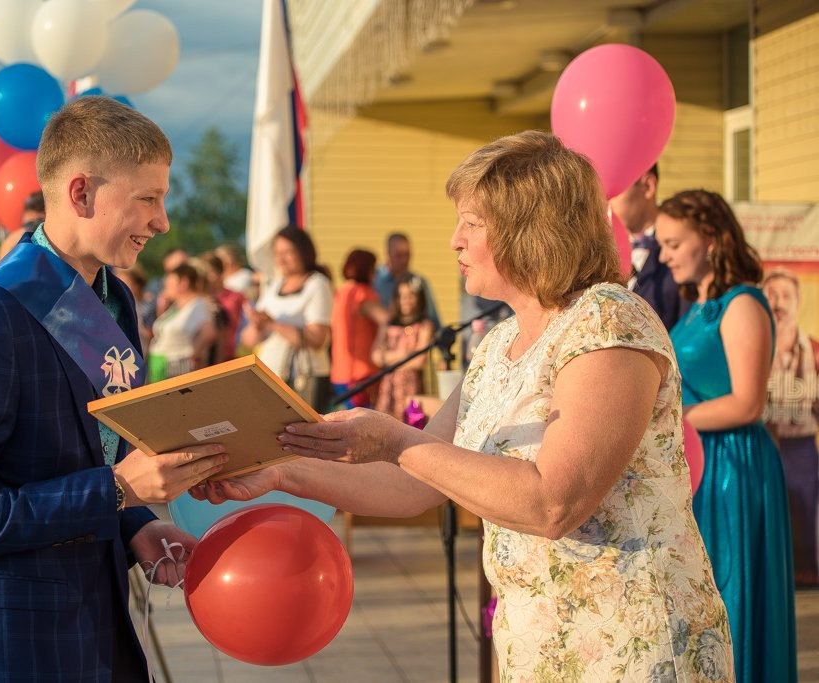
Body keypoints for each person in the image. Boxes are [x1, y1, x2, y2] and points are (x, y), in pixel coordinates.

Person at [198, 131, 734, 681]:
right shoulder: (498, 343)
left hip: (633, 641)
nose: (453, 240)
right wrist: (281, 472)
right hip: (540, 644)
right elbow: (413, 483)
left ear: (532, 227)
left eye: (471, 224)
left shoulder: (608, 321)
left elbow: (554, 501)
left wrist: (396, 439)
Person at [0, 97, 229, 682]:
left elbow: (96, 453)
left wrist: (138, 523)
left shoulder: (117, 299)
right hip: (14, 645)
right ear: (80, 193)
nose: (162, 222)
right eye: (148, 199)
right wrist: (116, 492)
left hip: (98, 622)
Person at [657, 188, 796, 682]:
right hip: (702, 464)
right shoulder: (697, 307)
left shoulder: (742, 304)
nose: (663, 254)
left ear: (711, 239)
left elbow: (748, 402)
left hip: (733, 469)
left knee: (730, 593)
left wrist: (672, 420)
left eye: (674, 243)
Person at [763, 268, 819, 587]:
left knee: (804, 513)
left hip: (801, 448)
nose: (778, 303)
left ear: (798, 302)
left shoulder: (813, 350)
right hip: (763, 443)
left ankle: (806, 576)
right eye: (771, 296)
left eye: (785, 296)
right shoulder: (752, 347)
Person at [240, 226, 333, 412]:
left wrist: (273, 324)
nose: (281, 259)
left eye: (288, 252)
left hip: (304, 378)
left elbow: (317, 338)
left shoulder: (317, 284)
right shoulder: (275, 286)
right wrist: (258, 324)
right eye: (278, 253)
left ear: (303, 252)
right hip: (272, 375)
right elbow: (247, 340)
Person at [609, 163, 688, 330]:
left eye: (614, 193)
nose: (606, 204)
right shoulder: (604, 252)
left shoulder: (683, 250)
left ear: (647, 186)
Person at [330, 249, 387, 409]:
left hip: (339, 371)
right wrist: (378, 347)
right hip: (361, 373)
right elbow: (385, 318)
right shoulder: (363, 293)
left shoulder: (341, 292)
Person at [373, 275, 435, 420]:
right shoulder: (388, 324)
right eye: (402, 296)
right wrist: (402, 355)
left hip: (411, 388)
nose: (406, 301)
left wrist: (389, 359)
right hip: (388, 388)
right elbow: (376, 356)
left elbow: (419, 361)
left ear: (419, 298)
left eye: (410, 296)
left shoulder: (424, 326)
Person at [146, 262, 216, 382]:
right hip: (160, 365)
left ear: (183, 283)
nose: (165, 287)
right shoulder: (177, 306)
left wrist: (194, 354)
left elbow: (209, 332)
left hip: (177, 370)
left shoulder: (197, 306)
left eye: (168, 284)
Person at [373, 233, 440, 327]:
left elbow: (433, 319)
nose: (404, 260)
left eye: (407, 255)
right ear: (388, 254)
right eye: (399, 255)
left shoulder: (418, 282)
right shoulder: (374, 280)